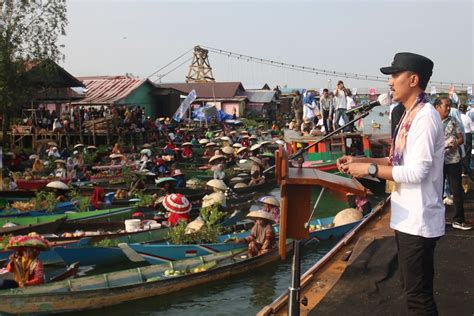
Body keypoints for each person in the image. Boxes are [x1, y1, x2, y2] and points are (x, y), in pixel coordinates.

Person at [337, 52, 443, 315]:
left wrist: (369, 169)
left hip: (418, 220)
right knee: (411, 290)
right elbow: (395, 160)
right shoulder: (408, 114)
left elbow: (417, 172)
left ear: (414, 79)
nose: (390, 82)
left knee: (419, 298)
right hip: (406, 216)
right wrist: (360, 159)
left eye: (396, 75)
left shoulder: (425, 117)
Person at [434, 97, 471, 230]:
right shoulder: (431, 122)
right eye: (446, 106)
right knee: (436, 191)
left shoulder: (453, 121)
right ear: (437, 107)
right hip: (437, 161)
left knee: (457, 191)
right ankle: (437, 219)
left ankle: (459, 219)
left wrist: (455, 143)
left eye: (449, 106)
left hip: (453, 160)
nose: (449, 108)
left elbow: (461, 138)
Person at [459, 104, 472, 177]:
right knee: (467, 154)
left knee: (461, 152)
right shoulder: (467, 118)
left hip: (459, 135)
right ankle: (466, 171)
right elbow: (472, 128)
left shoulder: (457, 117)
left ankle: (461, 169)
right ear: (465, 110)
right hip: (467, 135)